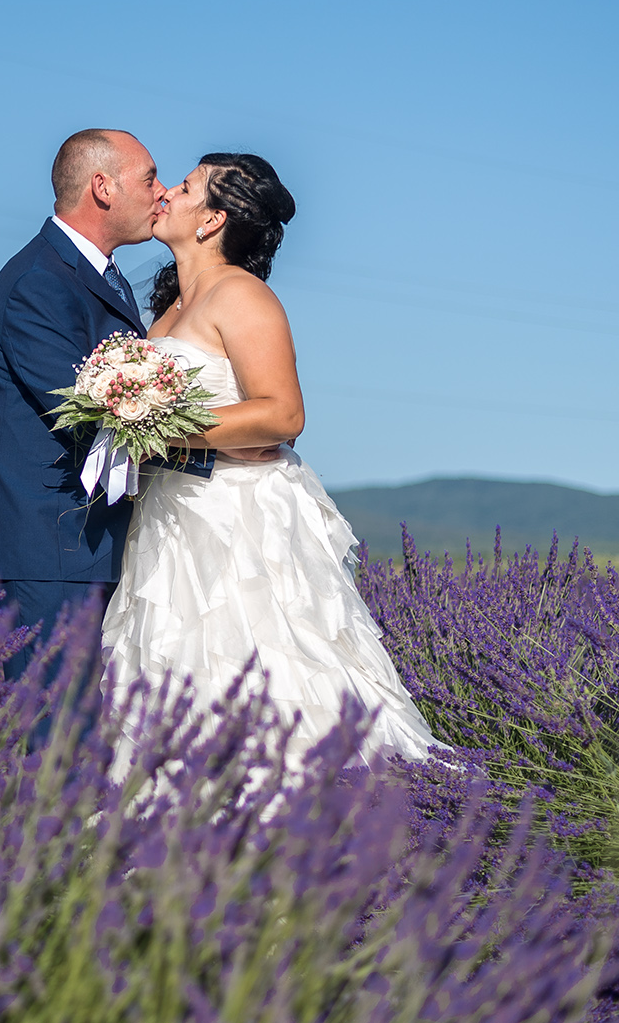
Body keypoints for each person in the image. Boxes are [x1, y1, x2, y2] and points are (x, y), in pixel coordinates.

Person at [101, 152, 439, 764]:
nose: (166, 194)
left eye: (184, 186)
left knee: (258, 665)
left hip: (236, 519)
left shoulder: (242, 295)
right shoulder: (170, 307)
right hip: (170, 513)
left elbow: (283, 416)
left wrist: (154, 424)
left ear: (211, 221)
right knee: (173, 664)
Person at [0, 128, 173, 683]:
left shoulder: (96, 277)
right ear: (103, 187)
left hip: (87, 543)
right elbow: (91, 411)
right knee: (55, 740)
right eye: (149, 178)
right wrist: (220, 454)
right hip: (51, 547)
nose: (162, 192)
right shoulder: (39, 284)